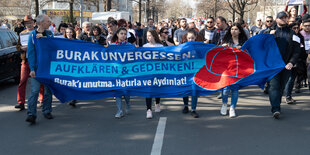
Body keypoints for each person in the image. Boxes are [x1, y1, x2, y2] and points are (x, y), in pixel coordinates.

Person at [264, 11, 300, 119]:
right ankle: (276, 108)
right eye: (282, 17)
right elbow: (261, 46)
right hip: (272, 66)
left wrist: (291, 62)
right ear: (277, 19)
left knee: (281, 87)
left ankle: (276, 103)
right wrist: (268, 37)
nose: (284, 19)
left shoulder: (292, 33)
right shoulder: (268, 32)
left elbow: (297, 50)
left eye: (286, 17)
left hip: (286, 65)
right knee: (274, 86)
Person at [26, 14, 55, 124]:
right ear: (42, 22)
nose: (50, 22)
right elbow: (31, 53)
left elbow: (54, 46)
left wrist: (45, 39)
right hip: (37, 69)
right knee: (34, 91)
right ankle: (31, 114)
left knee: (48, 91)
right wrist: (32, 68)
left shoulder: (49, 34)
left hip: (48, 68)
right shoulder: (32, 35)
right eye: (48, 21)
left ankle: (47, 110)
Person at [15, 15, 44, 111]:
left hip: (36, 61)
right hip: (25, 61)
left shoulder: (38, 33)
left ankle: (41, 99)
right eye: (27, 23)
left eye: (30, 22)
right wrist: (21, 48)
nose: (29, 24)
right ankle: (21, 102)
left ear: (34, 23)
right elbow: (18, 46)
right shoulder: (22, 33)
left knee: (39, 80)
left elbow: (43, 46)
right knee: (22, 81)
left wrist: (33, 46)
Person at [220, 23, 248, 118]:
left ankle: (232, 107)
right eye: (232, 29)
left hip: (238, 68)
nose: (234, 31)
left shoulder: (244, 42)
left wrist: (242, 49)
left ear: (240, 31)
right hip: (226, 68)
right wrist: (222, 48)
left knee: (235, 89)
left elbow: (249, 53)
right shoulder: (226, 41)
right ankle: (224, 104)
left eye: (236, 29)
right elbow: (219, 54)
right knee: (225, 89)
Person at [181, 29, 203, 118]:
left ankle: (193, 109)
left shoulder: (199, 47)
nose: (191, 40)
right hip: (185, 71)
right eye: (189, 38)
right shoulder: (182, 47)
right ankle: (186, 105)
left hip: (195, 72)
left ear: (195, 38)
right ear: (186, 38)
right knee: (185, 89)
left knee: (194, 90)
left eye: (192, 38)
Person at [284, 22, 307, 104]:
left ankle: (289, 95)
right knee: (290, 79)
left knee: (293, 78)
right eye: (294, 28)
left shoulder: (300, 37)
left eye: (297, 28)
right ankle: (287, 96)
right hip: (290, 61)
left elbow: (303, 48)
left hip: (299, 60)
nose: (296, 29)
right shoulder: (288, 36)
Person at [110, 27, 131, 118]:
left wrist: (137, 48)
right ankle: (119, 110)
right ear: (117, 35)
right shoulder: (113, 45)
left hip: (127, 72)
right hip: (116, 72)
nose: (123, 35)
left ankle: (128, 103)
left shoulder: (129, 45)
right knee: (118, 91)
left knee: (125, 91)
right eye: (121, 33)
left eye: (125, 34)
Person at [143, 29, 163, 119]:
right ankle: (148, 110)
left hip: (158, 71)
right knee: (148, 90)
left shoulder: (160, 46)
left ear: (154, 36)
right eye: (147, 36)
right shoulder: (144, 46)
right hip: (148, 72)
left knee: (157, 88)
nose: (148, 38)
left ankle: (157, 103)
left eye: (149, 35)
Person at [300, 20, 310, 91]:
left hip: (309, 54)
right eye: (306, 26)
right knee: (300, 71)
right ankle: (298, 84)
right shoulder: (300, 34)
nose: (307, 27)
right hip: (301, 55)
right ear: (302, 26)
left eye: (309, 26)